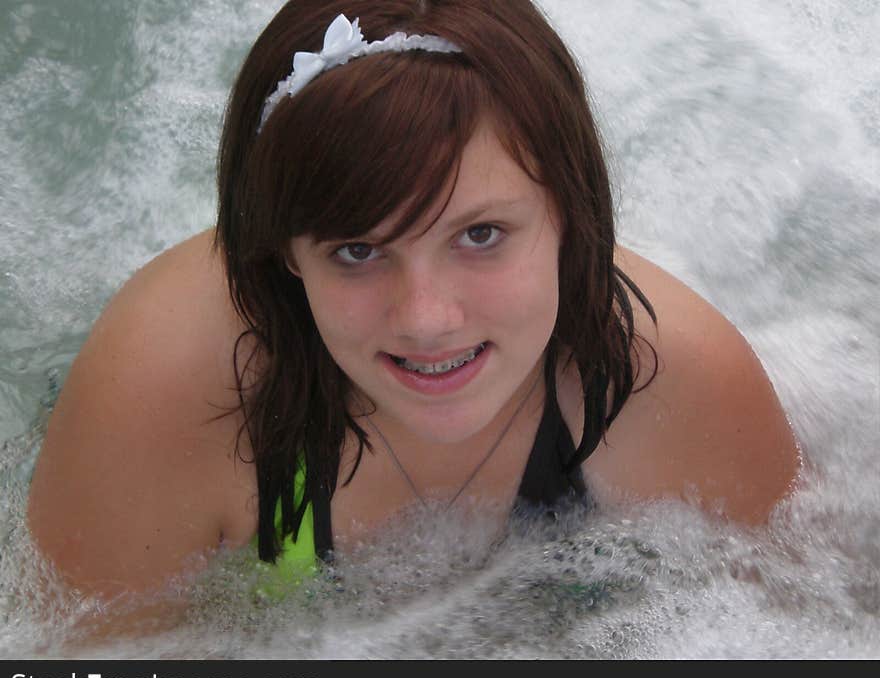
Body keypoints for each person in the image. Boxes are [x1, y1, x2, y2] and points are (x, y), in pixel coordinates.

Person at [27, 0, 800, 610]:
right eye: (357, 251)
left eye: (482, 234)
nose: (426, 318)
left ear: (572, 213)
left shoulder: (675, 382)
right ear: (284, 255)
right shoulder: (166, 392)